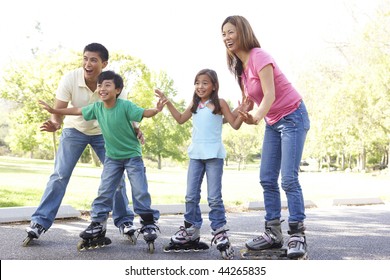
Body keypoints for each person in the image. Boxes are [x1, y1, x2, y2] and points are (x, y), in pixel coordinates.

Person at [25, 43, 140, 244]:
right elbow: (58, 110)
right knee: (60, 174)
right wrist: (54, 123)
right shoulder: (70, 78)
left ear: (104, 63)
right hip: (74, 129)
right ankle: (40, 221)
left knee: (117, 178)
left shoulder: (114, 84)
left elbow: (125, 113)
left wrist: (135, 129)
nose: (88, 63)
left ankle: (124, 221)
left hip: (106, 132)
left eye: (93, 60)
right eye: (85, 58)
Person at [39, 70, 164, 250]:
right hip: (113, 158)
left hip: (132, 156)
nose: (102, 88)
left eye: (107, 85)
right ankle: (97, 223)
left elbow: (145, 112)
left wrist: (157, 109)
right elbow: (76, 110)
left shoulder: (126, 106)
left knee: (139, 190)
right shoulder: (97, 108)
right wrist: (54, 110)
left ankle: (147, 221)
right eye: (100, 85)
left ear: (118, 90)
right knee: (104, 191)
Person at [221, 15, 310, 259]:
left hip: (293, 116)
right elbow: (250, 104)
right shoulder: (241, 71)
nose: (227, 37)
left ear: (243, 32)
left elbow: (269, 95)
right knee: (267, 179)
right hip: (273, 122)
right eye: (223, 34)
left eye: (231, 32)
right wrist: (242, 112)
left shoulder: (259, 56)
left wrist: (257, 116)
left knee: (288, 179)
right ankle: (273, 233)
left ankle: (297, 234)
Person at [155, 68, 250, 259]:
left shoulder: (220, 103)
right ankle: (191, 229)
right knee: (190, 196)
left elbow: (235, 124)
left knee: (214, 197)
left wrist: (243, 111)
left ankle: (219, 230)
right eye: (197, 82)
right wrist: (168, 103)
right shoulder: (195, 104)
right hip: (196, 155)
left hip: (214, 155)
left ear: (214, 86)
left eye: (205, 82)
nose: (200, 86)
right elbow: (181, 119)